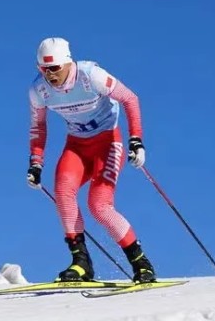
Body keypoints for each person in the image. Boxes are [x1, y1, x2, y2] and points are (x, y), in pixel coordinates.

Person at [26, 36, 156, 283]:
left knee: (99, 206)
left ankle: (141, 264)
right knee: (63, 193)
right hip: (76, 146)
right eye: (43, 69)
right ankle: (81, 263)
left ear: (67, 63)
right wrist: (36, 162)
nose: (50, 75)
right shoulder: (38, 90)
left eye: (54, 68)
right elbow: (38, 127)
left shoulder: (90, 75)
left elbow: (130, 99)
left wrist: (136, 141)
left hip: (107, 141)